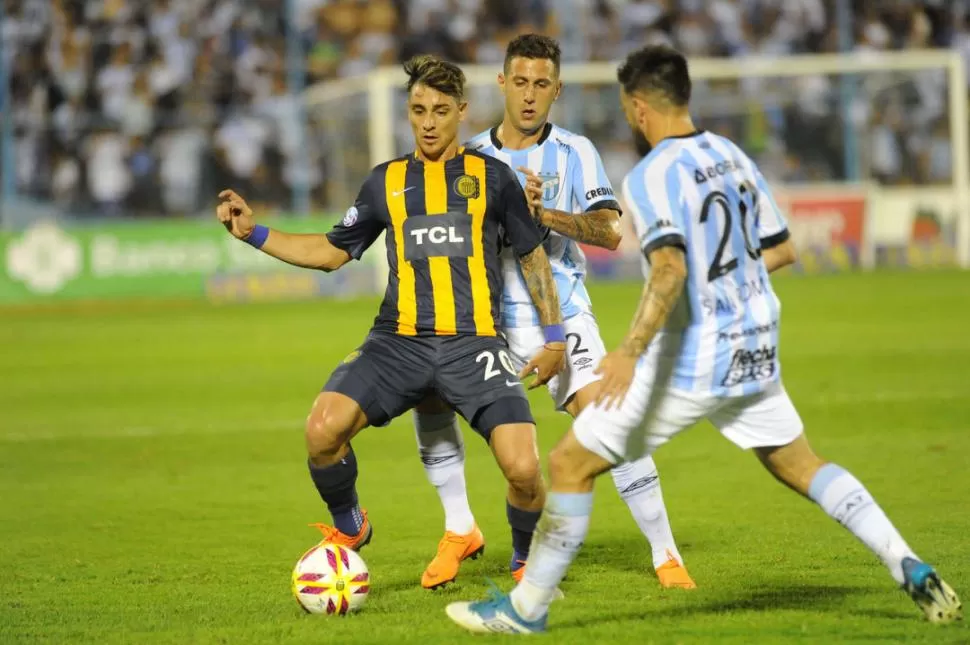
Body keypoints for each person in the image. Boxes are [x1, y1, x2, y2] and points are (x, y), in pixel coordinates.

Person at [445, 44, 962, 633]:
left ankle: (524, 611)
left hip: (694, 359)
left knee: (568, 462)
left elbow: (668, 270)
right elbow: (784, 249)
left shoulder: (652, 174)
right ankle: (909, 563)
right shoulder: (733, 156)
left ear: (639, 108)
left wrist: (628, 353)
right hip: (756, 347)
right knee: (802, 465)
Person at [215, 55, 569, 569]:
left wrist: (554, 338)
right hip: (398, 342)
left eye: (440, 110)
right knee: (321, 432)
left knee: (523, 467)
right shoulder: (387, 181)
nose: (428, 122)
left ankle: (522, 563)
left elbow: (533, 256)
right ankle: (350, 527)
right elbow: (333, 252)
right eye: (418, 109)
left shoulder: (493, 179)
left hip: (473, 343)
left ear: (461, 112)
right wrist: (255, 233)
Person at [413, 34, 694, 592]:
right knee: (431, 392)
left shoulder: (574, 152)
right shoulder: (467, 155)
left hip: (563, 313)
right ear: (502, 83)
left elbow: (611, 231)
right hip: (487, 322)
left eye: (542, 84)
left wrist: (547, 213)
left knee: (608, 424)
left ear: (556, 90)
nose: (529, 95)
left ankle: (666, 553)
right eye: (519, 81)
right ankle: (460, 527)